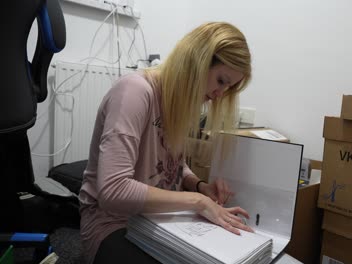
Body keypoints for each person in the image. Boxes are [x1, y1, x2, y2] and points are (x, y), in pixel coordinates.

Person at [79, 22, 253, 264]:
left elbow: (173, 165)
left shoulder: (183, 103)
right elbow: (113, 190)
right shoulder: (135, 92)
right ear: (198, 60)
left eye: (229, 87)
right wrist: (198, 202)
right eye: (221, 80)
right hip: (113, 222)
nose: (219, 94)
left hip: (159, 219)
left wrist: (200, 186)